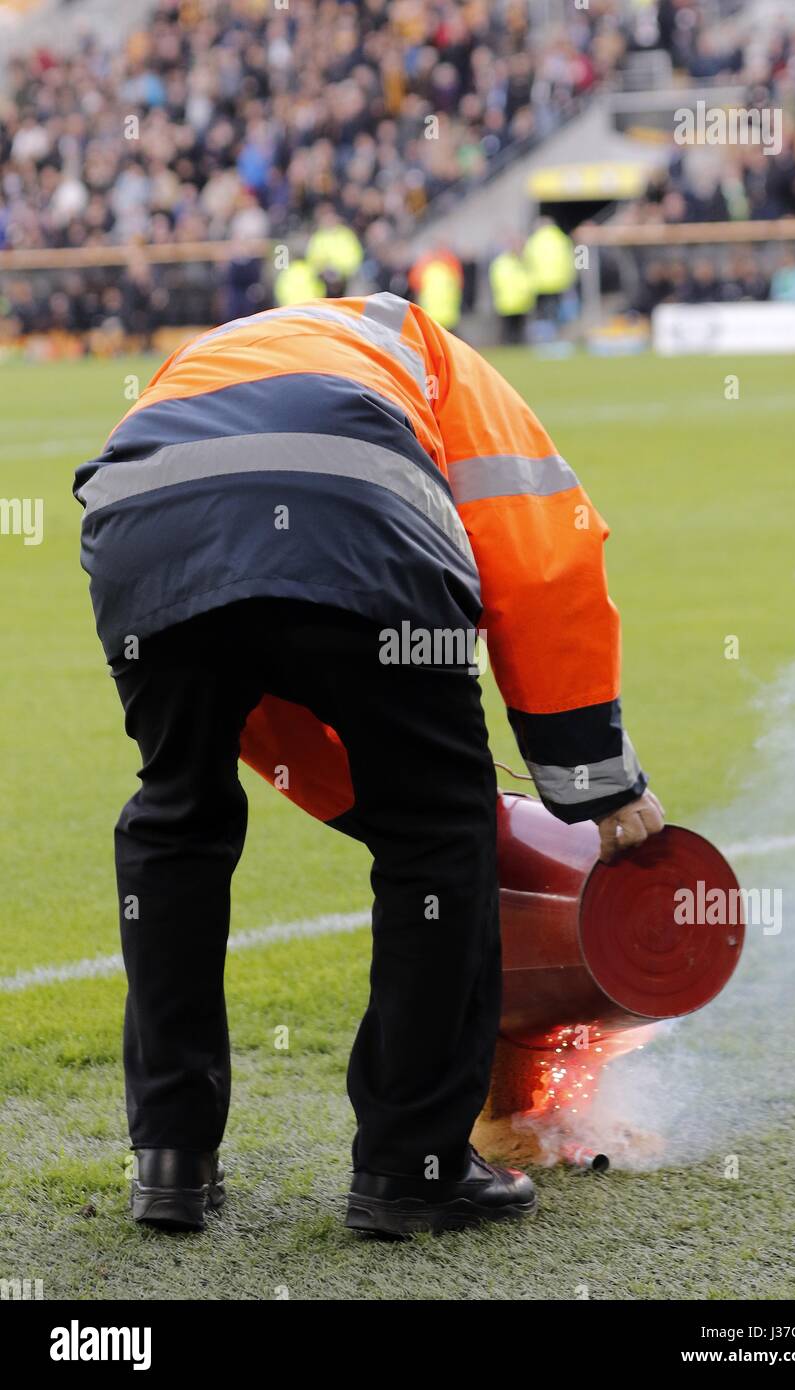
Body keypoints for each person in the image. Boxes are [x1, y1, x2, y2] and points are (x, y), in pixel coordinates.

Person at [73, 293, 663, 1237]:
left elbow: (262, 688)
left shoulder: (217, 358)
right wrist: (594, 777)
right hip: (356, 517)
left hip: (144, 531)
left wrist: (361, 794)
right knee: (440, 827)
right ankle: (411, 1169)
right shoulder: (434, 357)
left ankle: (171, 1162)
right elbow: (541, 558)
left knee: (177, 813)